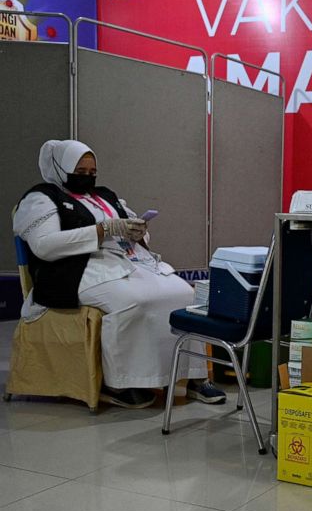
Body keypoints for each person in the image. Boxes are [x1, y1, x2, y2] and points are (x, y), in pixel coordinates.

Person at [13, 140, 225, 409]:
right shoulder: (41, 198)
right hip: (75, 271)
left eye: (92, 171)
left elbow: (129, 226)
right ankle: (122, 383)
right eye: (80, 170)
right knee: (134, 301)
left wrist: (137, 231)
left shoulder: (105, 196)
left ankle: (191, 377)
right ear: (60, 167)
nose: (88, 177)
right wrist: (102, 230)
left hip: (125, 262)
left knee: (185, 294)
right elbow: (45, 246)